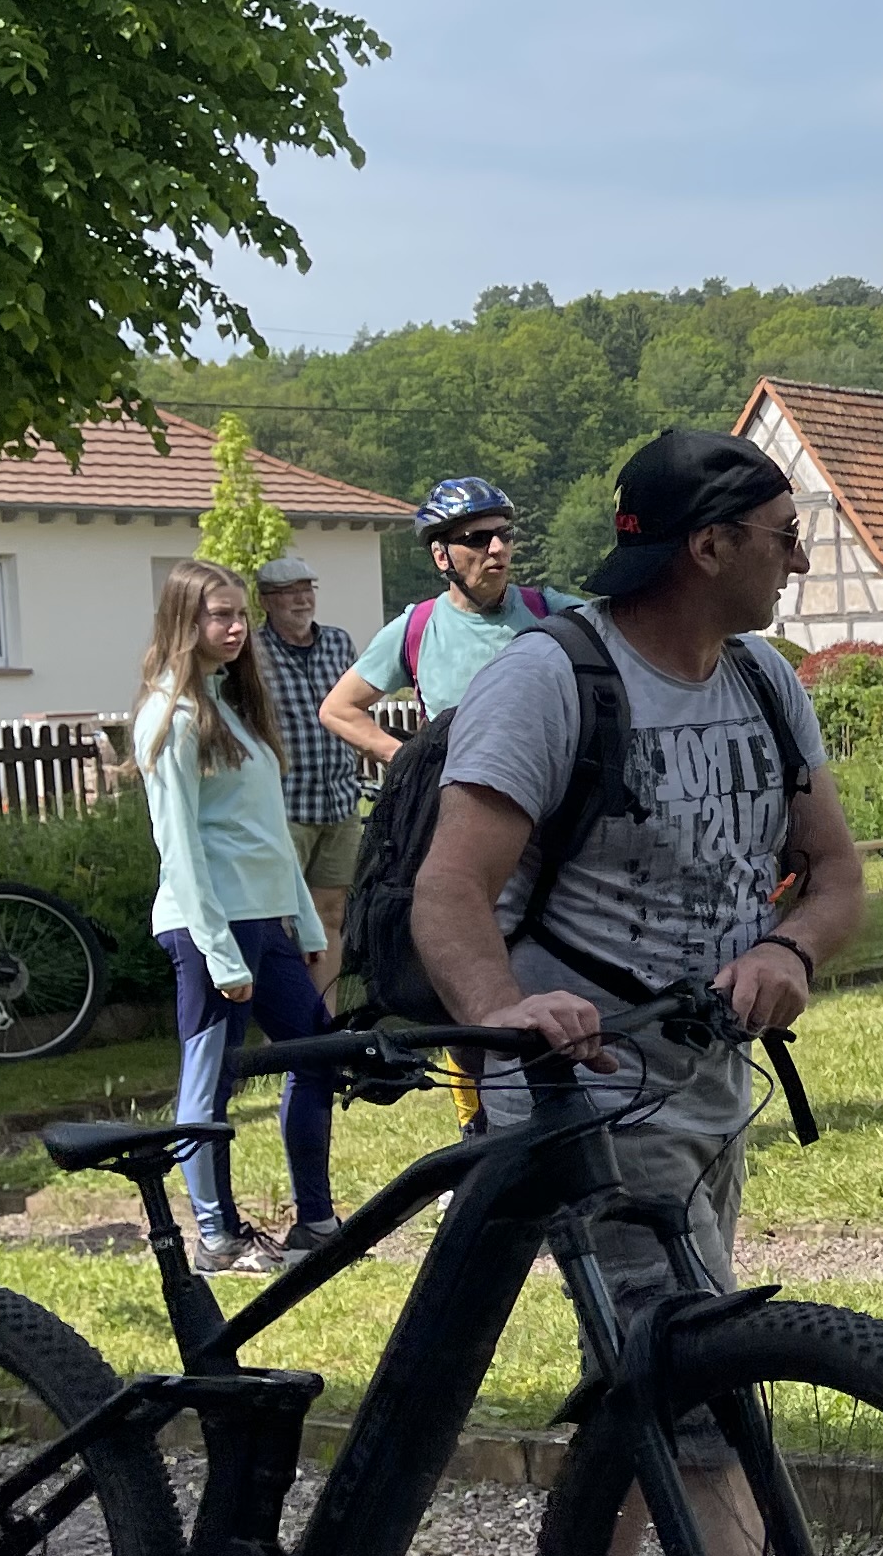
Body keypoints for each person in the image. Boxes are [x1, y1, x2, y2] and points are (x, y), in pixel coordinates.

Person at [414, 429, 867, 1556]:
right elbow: (450, 890)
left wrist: (791, 951)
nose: (800, 560)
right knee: (692, 1380)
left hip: (709, 1081)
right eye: (783, 537)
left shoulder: (766, 682)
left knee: (646, 1377)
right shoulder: (553, 683)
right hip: (583, 1095)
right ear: (707, 547)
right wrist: (504, 1011)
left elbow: (838, 873)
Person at [132, 560, 346, 1275]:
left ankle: (316, 1220)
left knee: (316, 1055)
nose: (234, 628)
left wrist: (305, 924)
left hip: (265, 923)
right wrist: (220, 952)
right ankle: (216, 1238)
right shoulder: (172, 717)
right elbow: (180, 848)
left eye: (237, 615)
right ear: (183, 622)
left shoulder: (234, 707)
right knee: (210, 1081)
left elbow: (268, 835)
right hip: (208, 930)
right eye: (216, 616)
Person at [319, 475, 578, 766]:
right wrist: (408, 763)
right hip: (458, 792)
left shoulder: (552, 613)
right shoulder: (416, 628)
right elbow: (338, 709)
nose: (497, 548)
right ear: (442, 556)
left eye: (505, 534)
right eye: (477, 539)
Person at [248, 555, 367, 960]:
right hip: (285, 806)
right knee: (281, 918)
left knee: (330, 914)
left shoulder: (338, 642)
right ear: (266, 601)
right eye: (289, 593)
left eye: (306, 590)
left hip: (340, 802)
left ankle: (323, 1002)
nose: (301, 600)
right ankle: (286, 1002)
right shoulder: (251, 651)